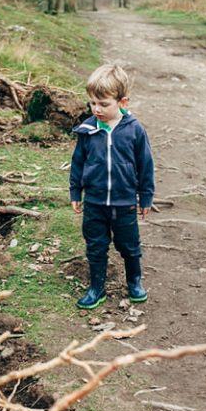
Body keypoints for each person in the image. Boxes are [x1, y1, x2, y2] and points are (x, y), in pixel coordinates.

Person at [69, 63, 154, 310]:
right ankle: (96, 287)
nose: (97, 109)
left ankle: (134, 281)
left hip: (124, 202)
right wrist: (76, 191)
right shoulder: (88, 130)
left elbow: (145, 165)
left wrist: (145, 196)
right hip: (95, 202)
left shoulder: (134, 130)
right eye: (92, 103)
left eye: (104, 104)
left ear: (122, 102)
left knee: (129, 245)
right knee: (95, 245)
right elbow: (78, 162)